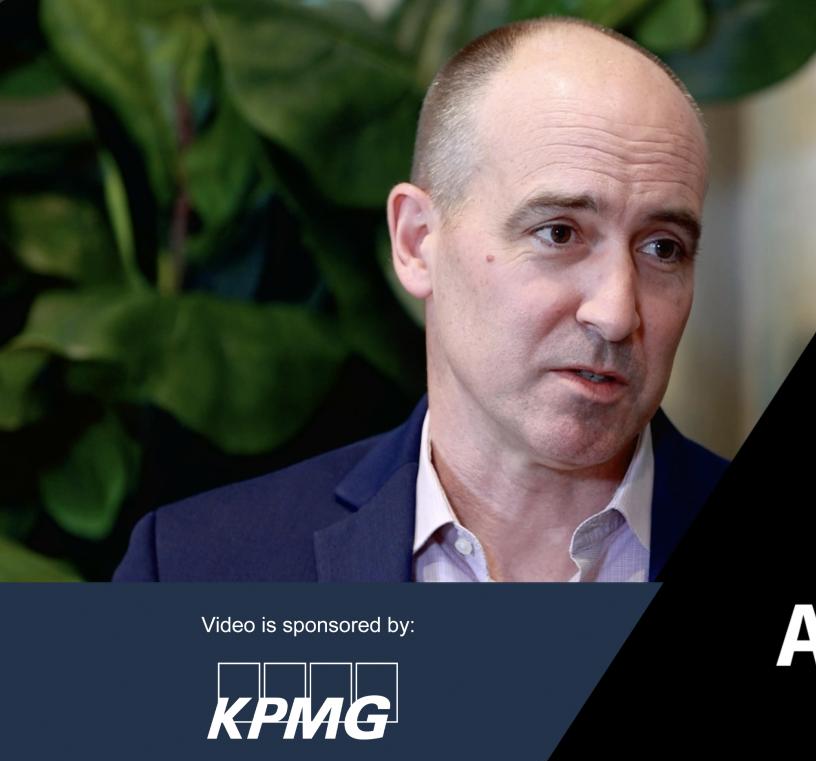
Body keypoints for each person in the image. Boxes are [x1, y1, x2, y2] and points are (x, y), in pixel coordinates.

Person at [113, 17, 727, 582]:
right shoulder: (195, 569)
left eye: (663, 248)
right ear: (415, 242)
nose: (616, 313)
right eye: (559, 233)